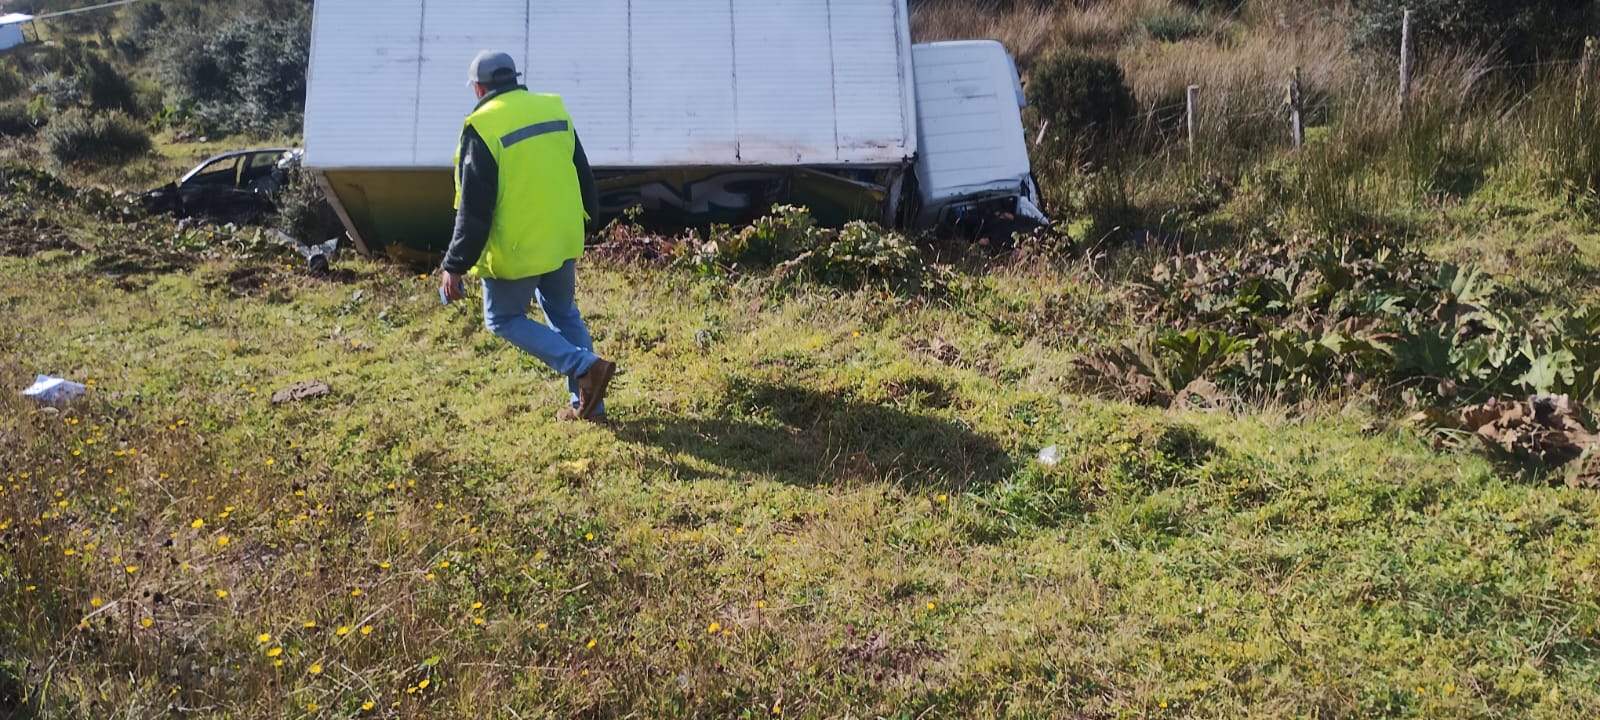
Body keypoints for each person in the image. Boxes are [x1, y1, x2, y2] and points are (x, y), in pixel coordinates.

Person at [440, 50, 615, 422]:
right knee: (563, 311)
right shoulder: (553, 109)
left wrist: (454, 265)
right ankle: (590, 405)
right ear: (514, 78)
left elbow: (474, 209)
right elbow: (583, 173)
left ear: (478, 87)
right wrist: (590, 221)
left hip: (518, 246)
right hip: (562, 235)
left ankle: (584, 366)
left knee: (502, 318)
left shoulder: (482, 126)